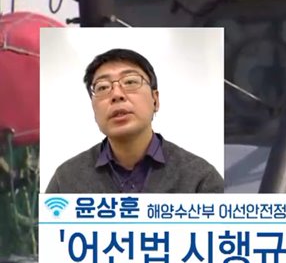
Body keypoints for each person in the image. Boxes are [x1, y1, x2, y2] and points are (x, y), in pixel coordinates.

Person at [45, 48, 224, 193]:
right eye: (103, 87)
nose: (117, 94)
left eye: (130, 82)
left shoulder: (200, 180)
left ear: (155, 100)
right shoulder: (66, 180)